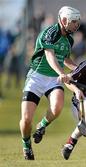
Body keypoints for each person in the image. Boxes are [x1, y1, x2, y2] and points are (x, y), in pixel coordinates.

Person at [19, 6, 81, 160]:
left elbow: (65, 58)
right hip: (37, 78)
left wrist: (79, 70)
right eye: (74, 21)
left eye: (77, 22)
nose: (76, 25)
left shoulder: (69, 39)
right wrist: (62, 73)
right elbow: (49, 56)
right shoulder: (50, 33)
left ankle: (42, 126)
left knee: (57, 107)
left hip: (54, 80)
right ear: (64, 20)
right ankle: (26, 145)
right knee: (26, 119)